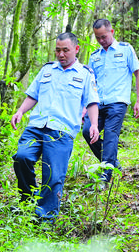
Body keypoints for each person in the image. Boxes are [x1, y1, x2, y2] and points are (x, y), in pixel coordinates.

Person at [11, 32, 100, 222]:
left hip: (62, 130)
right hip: (36, 125)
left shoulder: (85, 74)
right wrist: (20, 111)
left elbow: (92, 102)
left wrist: (94, 124)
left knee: (53, 175)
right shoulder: (47, 70)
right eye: (58, 50)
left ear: (76, 49)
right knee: (21, 157)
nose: (61, 54)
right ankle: (28, 201)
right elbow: (33, 95)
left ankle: (45, 218)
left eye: (65, 50)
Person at [83, 19, 139, 187]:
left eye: (103, 36)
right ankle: (112, 162)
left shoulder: (126, 49)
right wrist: (84, 107)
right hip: (96, 103)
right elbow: (89, 83)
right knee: (88, 131)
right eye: (97, 38)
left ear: (112, 32)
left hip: (117, 102)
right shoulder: (94, 56)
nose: (101, 40)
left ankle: (106, 175)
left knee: (110, 136)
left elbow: (138, 73)